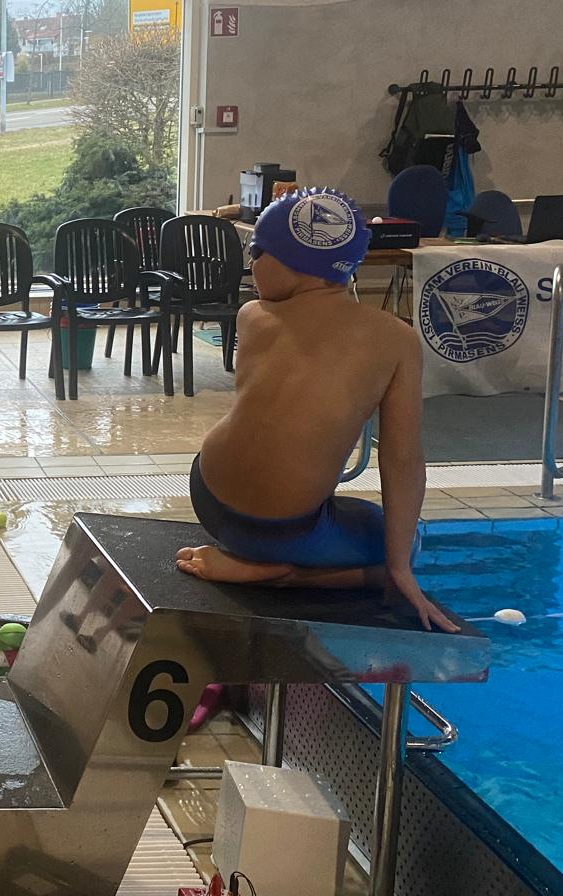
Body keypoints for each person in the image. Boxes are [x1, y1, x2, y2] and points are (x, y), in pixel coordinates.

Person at [174, 188, 457, 634]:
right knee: (409, 540)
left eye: (257, 252)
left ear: (295, 262)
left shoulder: (253, 316)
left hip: (206, 495)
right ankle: (280, 574)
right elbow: (401, 459)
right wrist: (398, 567)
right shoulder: (396, 339)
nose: (251, 266)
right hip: (284, 532)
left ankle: (258, 558)